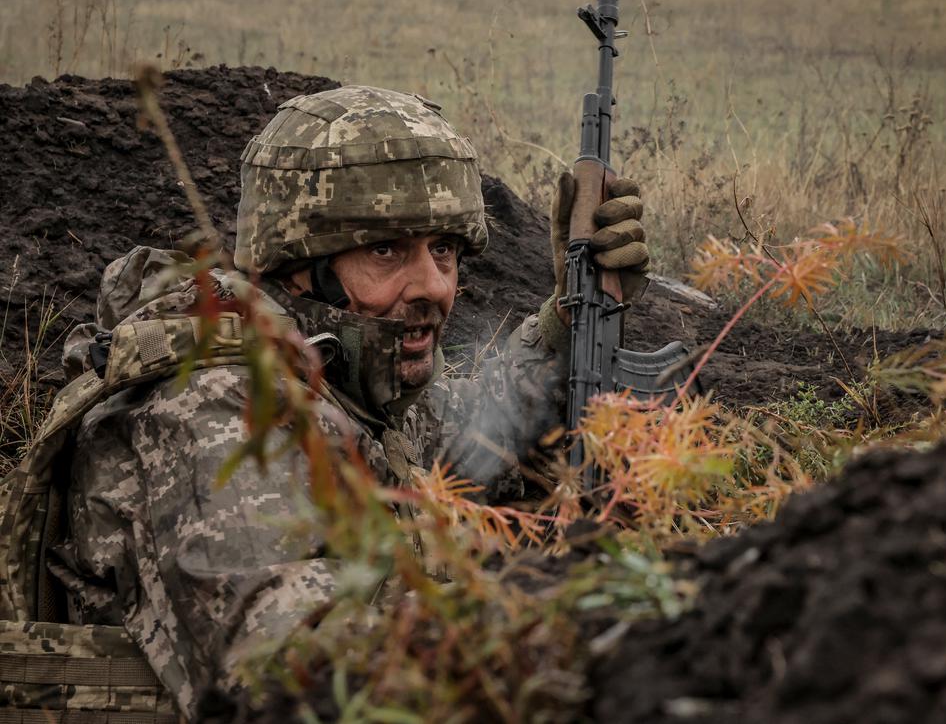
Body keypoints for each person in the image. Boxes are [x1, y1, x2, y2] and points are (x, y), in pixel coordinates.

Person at [0, 85, 650, 719]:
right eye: (386, 249)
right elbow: (310, 686)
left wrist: (572, 318)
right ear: (295, 267)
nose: (433, 286)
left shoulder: (340, 373)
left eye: (444, 250)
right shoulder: (219, 422)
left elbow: (470, 444)